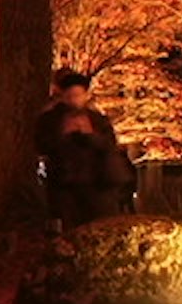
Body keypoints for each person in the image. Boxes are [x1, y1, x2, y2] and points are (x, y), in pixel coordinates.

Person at [33, 68, 136, 229]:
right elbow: (42, 145)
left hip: (97, 182)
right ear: (63, 96)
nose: (75, 100)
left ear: (86, 95)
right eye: (70, 95)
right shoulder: (51, 120)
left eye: (78, 95)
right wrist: (63, 135)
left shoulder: (97, 120)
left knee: (99, 226)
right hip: (66, 183)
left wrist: (90, 135)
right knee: (72, 228)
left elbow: (109, 146)